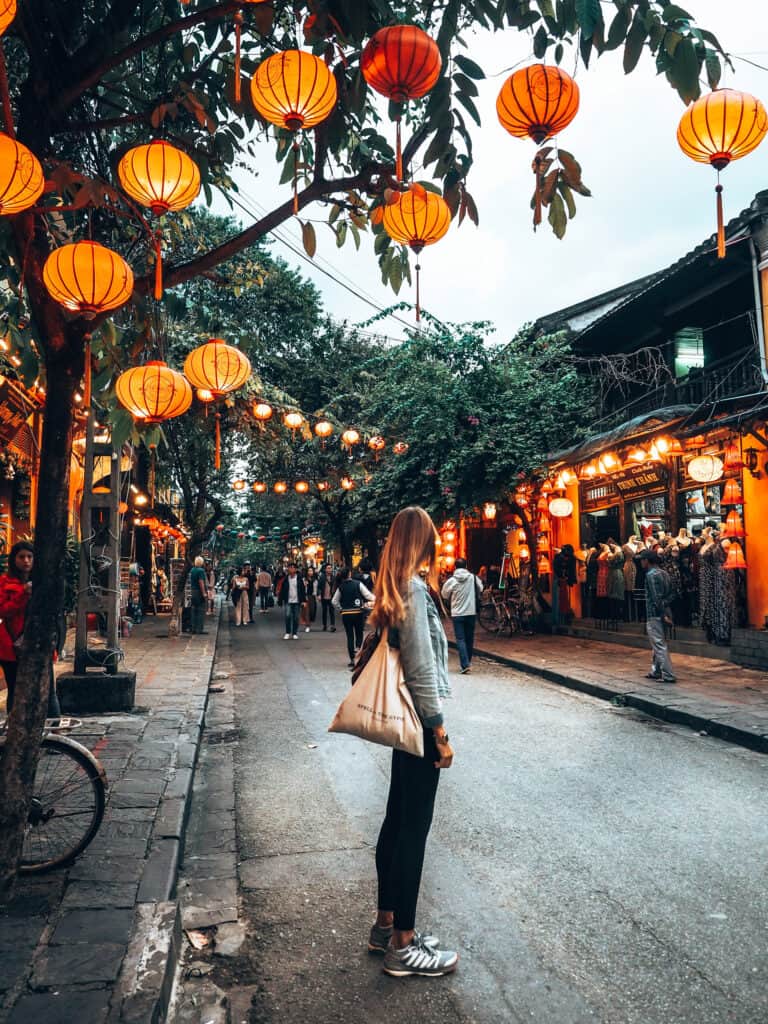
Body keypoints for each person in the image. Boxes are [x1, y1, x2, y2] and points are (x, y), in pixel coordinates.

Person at [366, 506, 457, 978]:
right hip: (420, 723)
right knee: (412, 830)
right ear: (421, 543)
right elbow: (421, 668)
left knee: (396, 821)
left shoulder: (391, 590)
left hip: (404, 724)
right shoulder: (416, 591)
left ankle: (386, 924)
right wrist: (439, 731)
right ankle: (403, 944)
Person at [0, 540, 60, 716]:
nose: (26, 561)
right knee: (15, 688)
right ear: (14, 559)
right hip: (12, 645)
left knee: (48, 687)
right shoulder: (5, 582)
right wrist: (22, 593)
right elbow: (3, 610)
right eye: (21, 557)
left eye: (29, 557)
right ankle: (15, 727)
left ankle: (55, 727)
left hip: (39, 641)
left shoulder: (43, 581)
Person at [440, 558, 483, 674]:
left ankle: (465, 664)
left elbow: (444, 594)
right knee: (469, 638)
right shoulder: (473, 578)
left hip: (457, 613)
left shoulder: (452, 581)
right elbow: (481, 588)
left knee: (460, 639)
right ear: (466, 566)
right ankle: (467, 662)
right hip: (471, 612)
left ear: (455, 567)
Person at [640, 549, 676, 683]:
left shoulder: (650, 575)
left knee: (659, 644)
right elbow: (673, 593)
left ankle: (668, 674)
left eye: (642, 560)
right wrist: (665, 609)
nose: (641, 562)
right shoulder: (665, 573)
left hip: (655, 613)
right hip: (666, 610)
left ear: (647, 561)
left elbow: (656, 598)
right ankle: (656, 670)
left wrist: (661, 613)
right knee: (658, 643)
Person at [332, 567, 374, 668]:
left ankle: (351, 659)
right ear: (350, 574)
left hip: (346, 614)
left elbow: (334, 601)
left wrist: (341, 609)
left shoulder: (340, 587)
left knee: (350, 636)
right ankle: (358, 653)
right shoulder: (358, 584)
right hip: (358, 612)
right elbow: (369, 596)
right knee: (359, 634)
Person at [277, 563, 306, 639]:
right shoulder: (286, 579)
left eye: (293, 568)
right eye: (290, 568)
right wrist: (280, 600)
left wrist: (303, 601)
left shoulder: (299, 579)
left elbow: (302, 590)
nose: (291, 569)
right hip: (288, 600)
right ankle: (287, 632)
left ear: (296, 569)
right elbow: (282, 591)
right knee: (287, 616)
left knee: (296, 617)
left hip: (297, 601)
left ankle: (294, 633)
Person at [189, 556, 208, 635]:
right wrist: (204, 593)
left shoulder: (192, 570)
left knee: (193, 610)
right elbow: (201, 582)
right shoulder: (201, 571)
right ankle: (199, 629)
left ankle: (193, 628)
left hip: (192, 591)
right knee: (201, 610)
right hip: (199, 592)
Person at [317, 563, 336, 632]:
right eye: (328, 568)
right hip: (324, 596)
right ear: (325, 569)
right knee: (324, 612)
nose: (329, 569)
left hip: (331, 597)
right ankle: (324, 625)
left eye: (330, 568)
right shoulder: (322, 577)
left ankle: (332, 625)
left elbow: (336, 587)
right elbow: (319, 587)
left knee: (332, 611)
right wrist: (319, 595)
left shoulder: (333, 577)